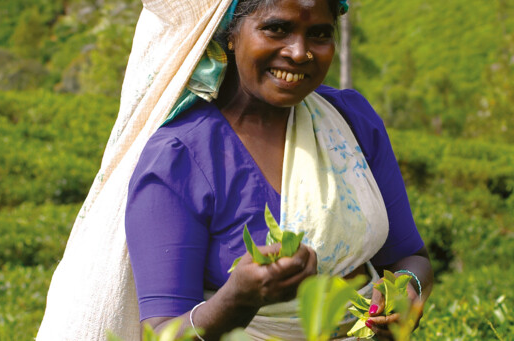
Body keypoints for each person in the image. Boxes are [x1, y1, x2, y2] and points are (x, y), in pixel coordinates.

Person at [123, 0, 433, 340]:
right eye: (277, 29)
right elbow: (162, 334)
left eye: (319, 34)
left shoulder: (351, 120)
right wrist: (236, 300)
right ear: (230, 33)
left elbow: (409, 256)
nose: (300, 53)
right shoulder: (180, 158)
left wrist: (407, 290)